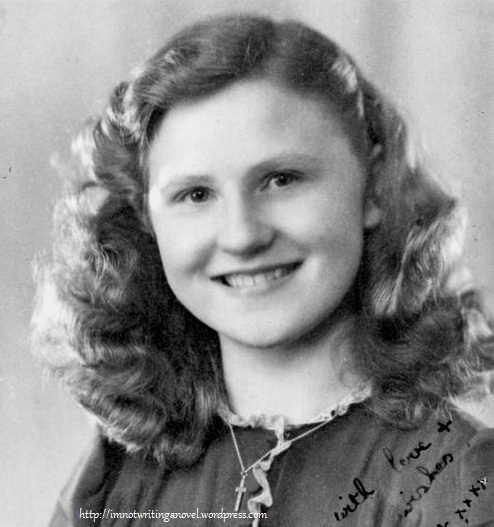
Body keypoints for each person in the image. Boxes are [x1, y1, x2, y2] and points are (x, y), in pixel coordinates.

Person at [33, 14, 494, 527]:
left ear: (373, 188)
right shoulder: (114, 477)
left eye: (281, 179)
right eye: (196, 194)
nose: (242, 235)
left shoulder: (459, 478)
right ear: (147, 219)